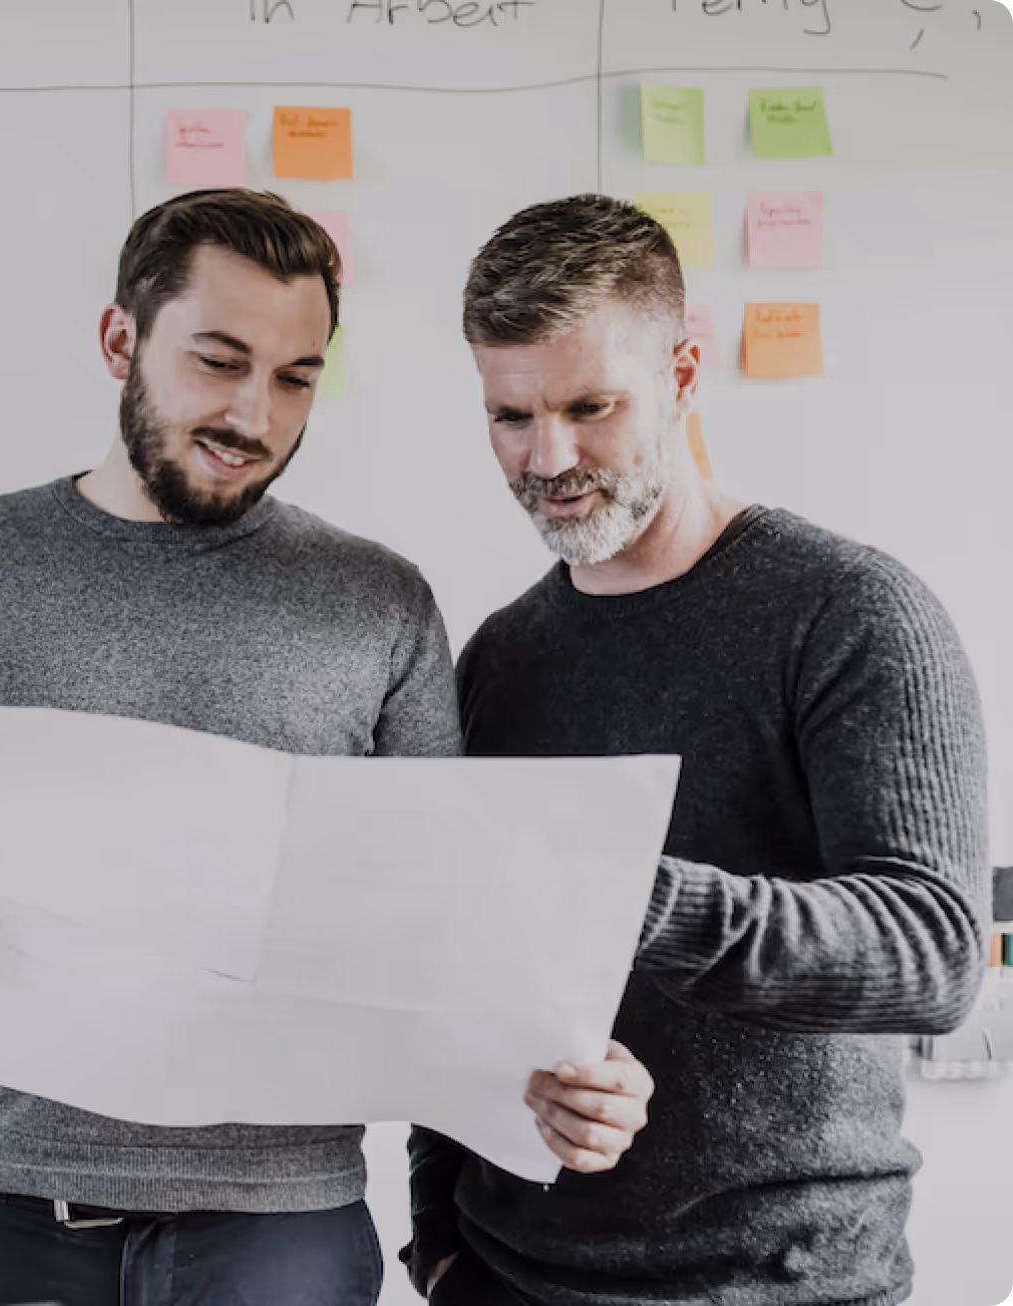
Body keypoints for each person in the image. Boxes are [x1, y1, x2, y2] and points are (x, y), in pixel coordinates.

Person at [0, 187, 653, 1306]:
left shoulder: (378, 602)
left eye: (294, 378)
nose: (253, 415)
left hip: (279, 1238)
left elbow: (448, 930)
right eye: (217, 361)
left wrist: (562, 1064)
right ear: (120, 338)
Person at [401, 193, 990, 1306]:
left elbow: (937, 952)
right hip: (506, 1275)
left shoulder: (850, 614)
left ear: (682, 372)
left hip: (784, 1283)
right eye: (509, 416)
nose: (549, 457)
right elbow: (461, 977)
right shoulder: (497, 659)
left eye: (590, 406)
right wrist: (433, 1242)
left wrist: (624, 891)